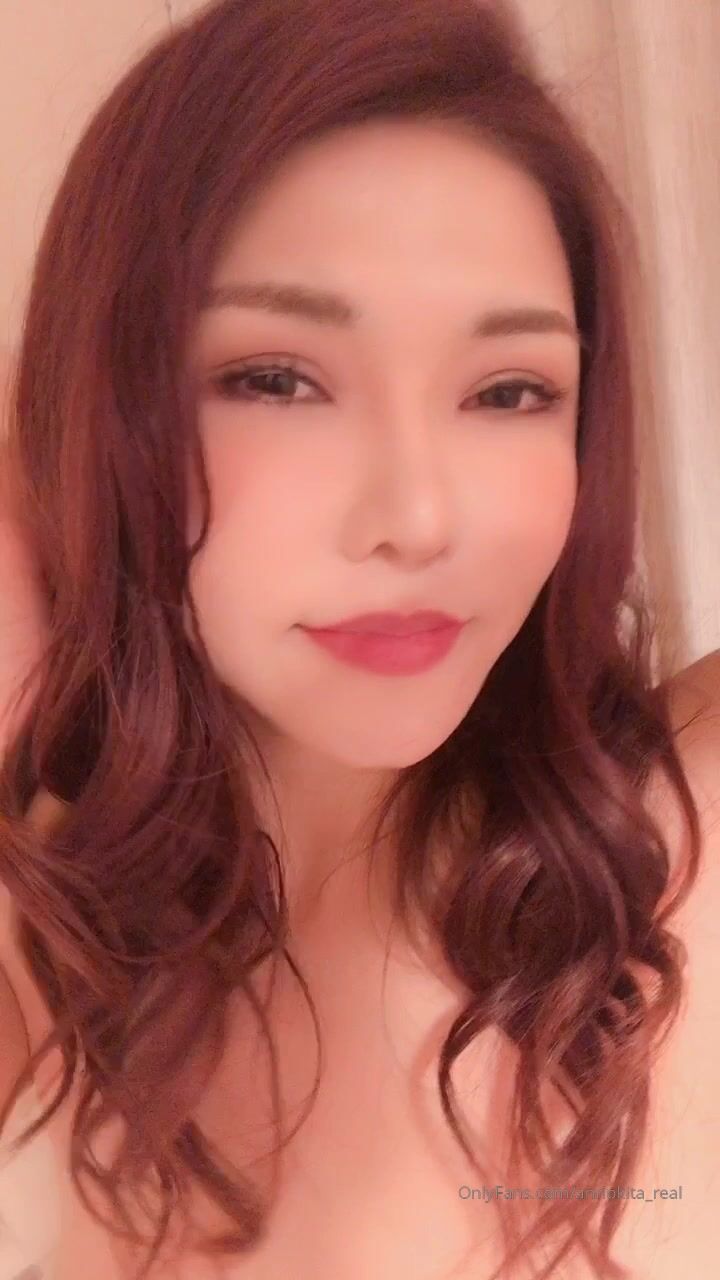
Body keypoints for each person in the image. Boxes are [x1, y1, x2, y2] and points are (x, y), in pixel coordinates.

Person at [0, 0, 719, 1277]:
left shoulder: (675, 830)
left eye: (511, 389)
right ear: (103, 408)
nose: (420, 518)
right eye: (276, 378)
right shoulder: (55, 931)